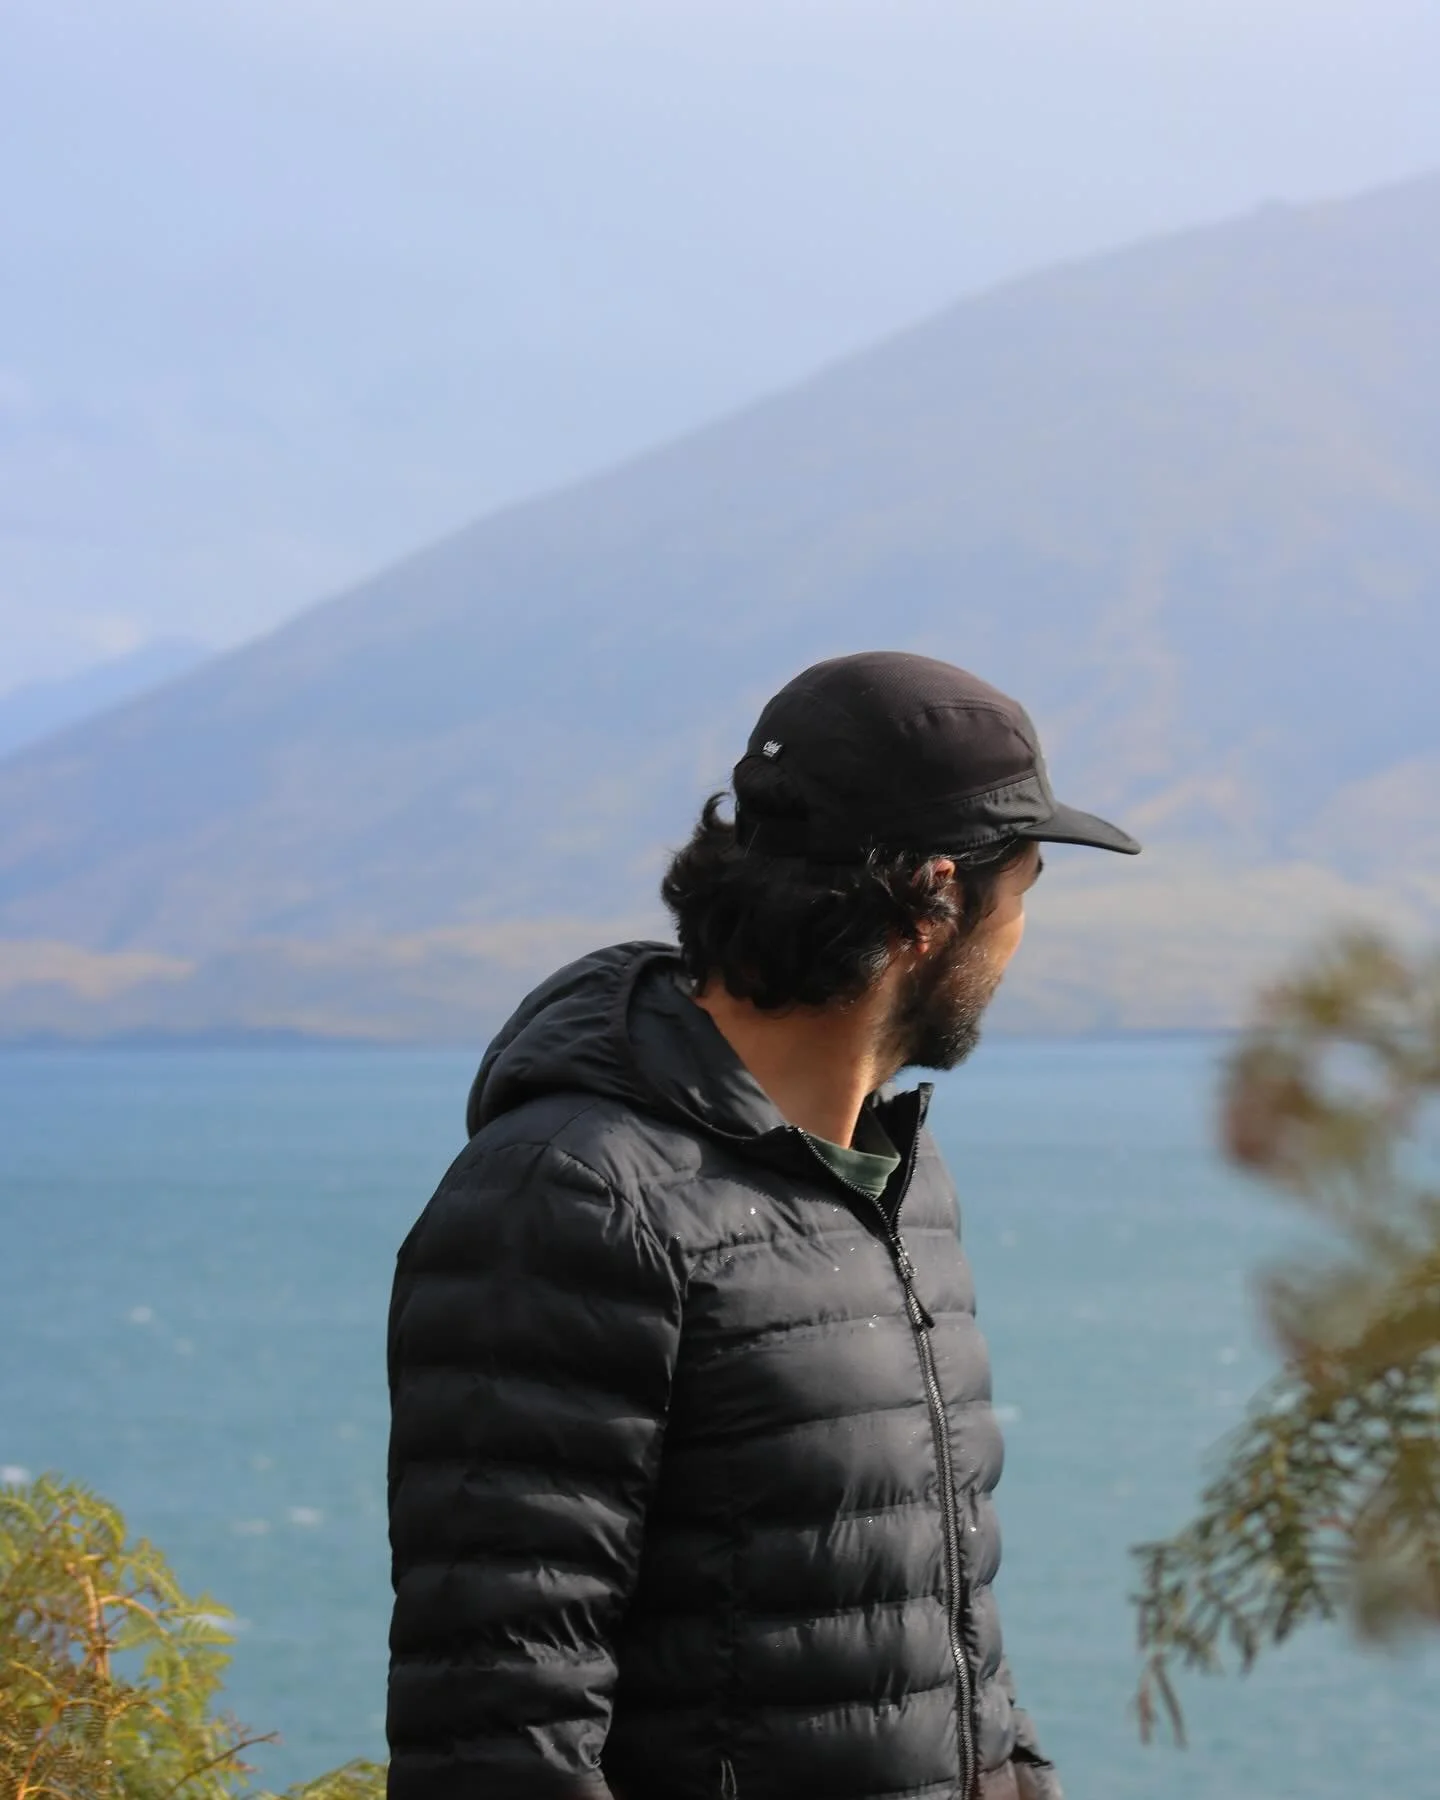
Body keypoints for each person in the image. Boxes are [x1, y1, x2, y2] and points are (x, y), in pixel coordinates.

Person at [386, 651, 1140, 1800]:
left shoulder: (898, 1178)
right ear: (935, 904)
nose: (1023, 935)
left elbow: (942, 1625)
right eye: (1025, 888)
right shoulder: (574, 1194)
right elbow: (497, 1719)